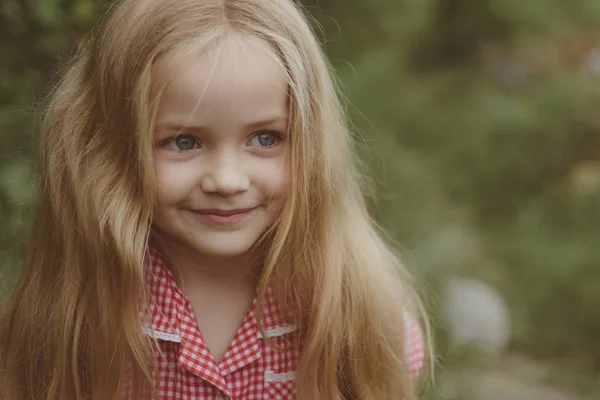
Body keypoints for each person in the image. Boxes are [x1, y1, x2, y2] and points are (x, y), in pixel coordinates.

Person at [0, 0, 428, 398]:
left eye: (265, 138)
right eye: (183, 141)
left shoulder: (354, 313)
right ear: (109, 150)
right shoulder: (71, 318)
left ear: (313, 147)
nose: (227, 180)